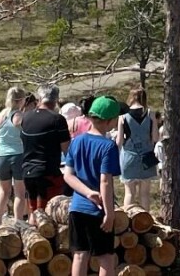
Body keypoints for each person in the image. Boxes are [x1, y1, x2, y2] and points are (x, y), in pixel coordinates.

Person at [64, 96, 121, 276]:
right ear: (110, 121)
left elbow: (68, 175)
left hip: (77, 207)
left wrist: (87, 192)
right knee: (106, 257)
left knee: (80, 255)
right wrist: (109, 213)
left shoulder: (77, 141)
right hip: (98, 210)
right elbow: (105, 181)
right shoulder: (108, 146)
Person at [20, 84, 70, 225]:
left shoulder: (26, 117)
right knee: (49, 214)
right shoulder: (57, 119)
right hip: (48, 173)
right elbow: (67, 150)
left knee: (33, 211)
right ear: (56, 99)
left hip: (28, 171)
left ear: (40, 98)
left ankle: (33, 242)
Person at [116, 87, 158, 210]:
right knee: (144, 194)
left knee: (129, 193)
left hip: (129, 156)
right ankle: (146, 221)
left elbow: (119, 141)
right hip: (147, 156)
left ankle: (128, 219)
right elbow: (155, 137)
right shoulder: (150, 114)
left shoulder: (123, 117)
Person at [0, 87, 29, 222]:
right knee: (20, 193)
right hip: (17, 155)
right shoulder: (19, 116)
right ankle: (19, 222)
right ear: (21, 100)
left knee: (3, 191)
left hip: (0, 156)